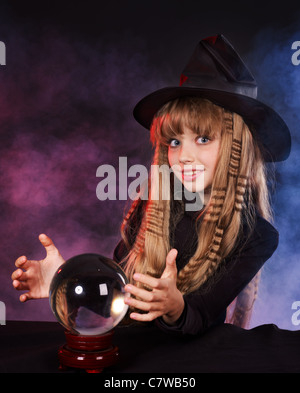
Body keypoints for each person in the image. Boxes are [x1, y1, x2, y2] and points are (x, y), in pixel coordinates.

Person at [11, 35, 291, 335]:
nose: (183, 156)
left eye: (203, 138)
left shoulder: (258, 236)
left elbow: (203, 314)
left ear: (238, 149)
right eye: (174, 141)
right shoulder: (152, 206)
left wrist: (176, 308)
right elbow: (116, 297)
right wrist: (65, 281)